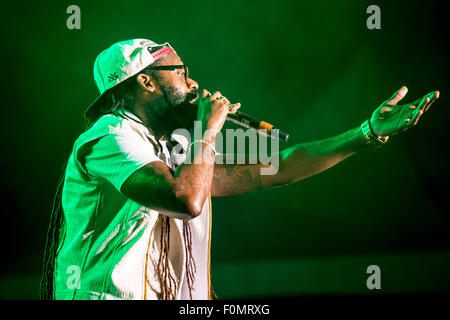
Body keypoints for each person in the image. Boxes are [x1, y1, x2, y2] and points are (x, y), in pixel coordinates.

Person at [41, 38, 439, 300]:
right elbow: (185, 199)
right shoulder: (110, 135)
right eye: (180, 72)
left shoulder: (171, 148)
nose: (193, 82)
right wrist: (206, 129)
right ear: (144, 81)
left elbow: (278, 167)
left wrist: (366, 132)